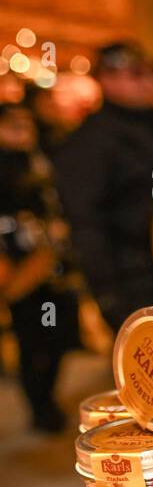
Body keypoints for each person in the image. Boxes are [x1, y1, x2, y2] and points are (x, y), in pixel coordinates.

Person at [55, 42, 153, 330]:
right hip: (130, 278)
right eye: (135, 74)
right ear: (106, 80)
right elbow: (85, 221)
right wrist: (108, 295)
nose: (147, 82)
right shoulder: (91, 141)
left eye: (148, 73)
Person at [0, 100, 79, 432]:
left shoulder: (43, 158)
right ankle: (41, 405)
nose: (23, 131)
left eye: (26, 124)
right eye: (13, 125)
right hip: (21, 272)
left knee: (58, 333)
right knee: (32, 339)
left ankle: (46, 396)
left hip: (54, 268)